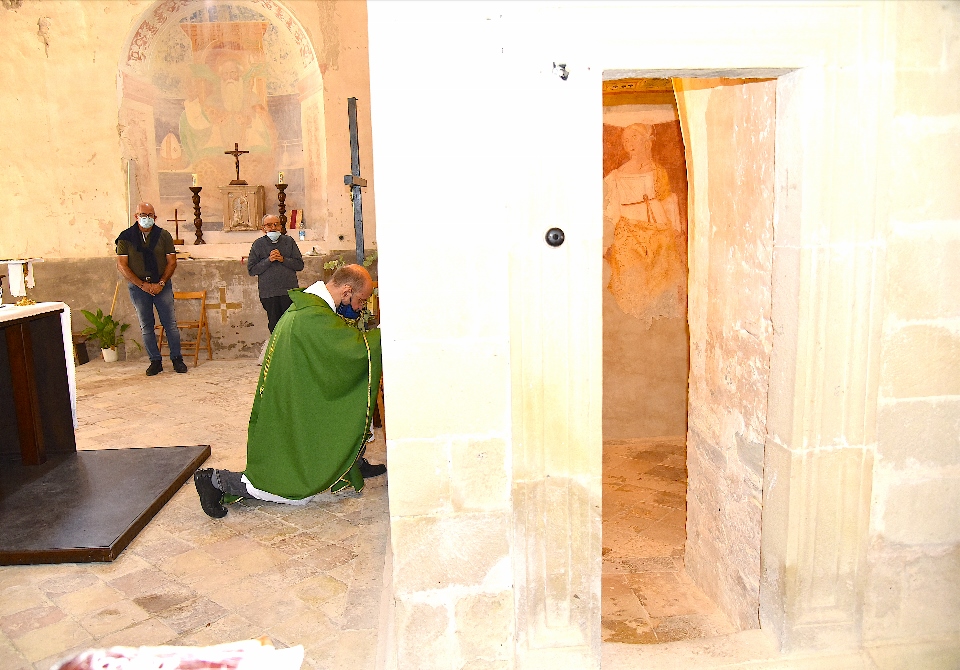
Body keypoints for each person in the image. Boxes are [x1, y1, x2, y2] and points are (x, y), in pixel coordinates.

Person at [194, 264, 386, 518]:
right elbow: (351, 351)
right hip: (292, 401)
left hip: (296, 391)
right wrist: (384, 335)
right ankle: (217, 481)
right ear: (347, 291)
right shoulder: (312, 316)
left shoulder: (310, 306)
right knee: (291, 483)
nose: (361, 307)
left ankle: (353, 463)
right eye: (361, 300)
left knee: (336, 420)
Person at [603, 123, 686, 325]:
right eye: (625, 140)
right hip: (629, 228)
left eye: (634, 137)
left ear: (646, 141)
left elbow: (667, 200)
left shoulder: (657, 171)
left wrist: (675, 228)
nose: (629, 143)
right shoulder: (617, 175)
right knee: (631, 272)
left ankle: (658, 320)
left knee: (662, 271)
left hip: (657, 225)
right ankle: (634, 320)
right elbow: (609, 204)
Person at [116, 202, 188, 375]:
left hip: (161, 285)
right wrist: (142, 285)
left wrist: (161, 283)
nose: (147, 218)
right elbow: (122, 265)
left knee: (170, 324)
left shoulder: (163, 235)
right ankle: (155, 361)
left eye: (150, 215)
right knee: (146, 325)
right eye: (143, 215)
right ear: (136, 216)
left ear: (155, 217)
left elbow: (172, 262)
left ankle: (177, 359)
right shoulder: (125, 237)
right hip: (139, 287)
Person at [247, 214, 304, 332]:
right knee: (275, 326)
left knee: (291, 325)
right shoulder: (258, 244)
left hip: (289, 291)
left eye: (276, 224)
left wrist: (283, 259)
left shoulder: (289, 241)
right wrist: (269, 260)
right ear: (263, 228)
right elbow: (252, 270)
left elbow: (299, 265)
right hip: (269, 293)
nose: (273, 227)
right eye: (269, 225)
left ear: (280, 227)